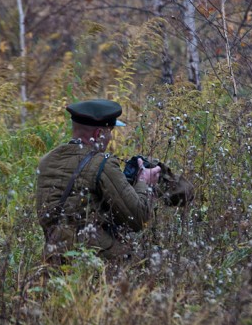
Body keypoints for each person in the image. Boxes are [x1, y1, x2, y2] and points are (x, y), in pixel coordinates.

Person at [36, 99, 162, 265]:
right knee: (163, 262)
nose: (110, 138)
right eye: (110, 132)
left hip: (53, 255)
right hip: (93, 258)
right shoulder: (102, 164)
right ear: (98, 135)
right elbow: (137, 218)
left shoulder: (47, 161)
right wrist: (143, 182)